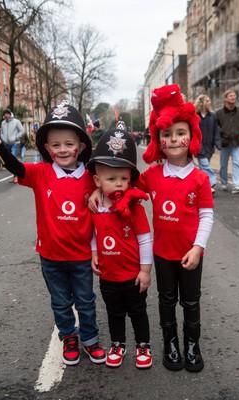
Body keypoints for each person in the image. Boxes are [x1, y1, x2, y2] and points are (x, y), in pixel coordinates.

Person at [89, 84, 214, 373]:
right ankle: (170, 343)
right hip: (162, 254)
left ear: (191, 136)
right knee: (167, 301)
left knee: (191, 301)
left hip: (191, 254)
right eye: (166, 134)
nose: (173, 140)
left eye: (180, 133)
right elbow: (117, 183)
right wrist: (95, 193)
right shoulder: (152, 175)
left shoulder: (199, 179)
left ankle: (192, 344)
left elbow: (206, 216)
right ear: (158, 140)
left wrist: (198, 247)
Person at [0, 101, 106, 367]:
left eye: (69, 144)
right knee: (60, 303)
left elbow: (117, 180)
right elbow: (16, 167)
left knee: (86, 301)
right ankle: (69, 336)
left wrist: (99, 190)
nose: (63, 150)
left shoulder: (92, 177)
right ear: (47, 149)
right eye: (55, 145)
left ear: (80, 147)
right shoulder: (41, 173)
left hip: (81, 257)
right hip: (51, 256)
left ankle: (89, 339)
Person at [86, 122, 153, 369]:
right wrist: (94, 251)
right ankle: (118, 343)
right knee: (114, 313)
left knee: (137, 311)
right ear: (97, 180)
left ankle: (143, 345)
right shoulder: (96, 206)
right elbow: (94, 232)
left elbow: (145, 239)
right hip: (109, 276)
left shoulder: (135, 208)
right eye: (111, 178)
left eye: (124, 178)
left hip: (132, 275)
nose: (118, 184)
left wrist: (145, 270)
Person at [216, 89, 239, 194]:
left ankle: (237, 185)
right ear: (225, 98)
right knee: (223, 164)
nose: (233, 97)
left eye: (234, 95)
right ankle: (224, 183)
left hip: (237, 142)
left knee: (237, 163)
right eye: (230, 96)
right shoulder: (219, 113)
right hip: (225, 142)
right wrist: (223, 132)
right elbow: (216, 126)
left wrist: (238, 130)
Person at [194, 94, 221, 195]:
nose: (210, 103)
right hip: (199, 146)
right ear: (202, 102)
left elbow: (216, 130)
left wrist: (218, 143)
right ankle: (211, 183)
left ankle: (203, 187)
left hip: (209, 146)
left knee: (204, 168)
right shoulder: (195, 115)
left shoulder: (213, 116)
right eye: (208, 101)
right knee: (205, 166)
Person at [0, 108, 24, 183]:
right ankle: (15, 177)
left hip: (15, 143)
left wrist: (16, 137)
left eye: (7, 113)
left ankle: (16, 176)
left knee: (13, 158)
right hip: (6, 144)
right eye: (4, 114)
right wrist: (3, 138)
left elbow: (22, 131)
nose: (6, 115)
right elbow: (2, 132)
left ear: (10, 114)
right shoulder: (3, 123)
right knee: (9, 160)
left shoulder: (16, 121)